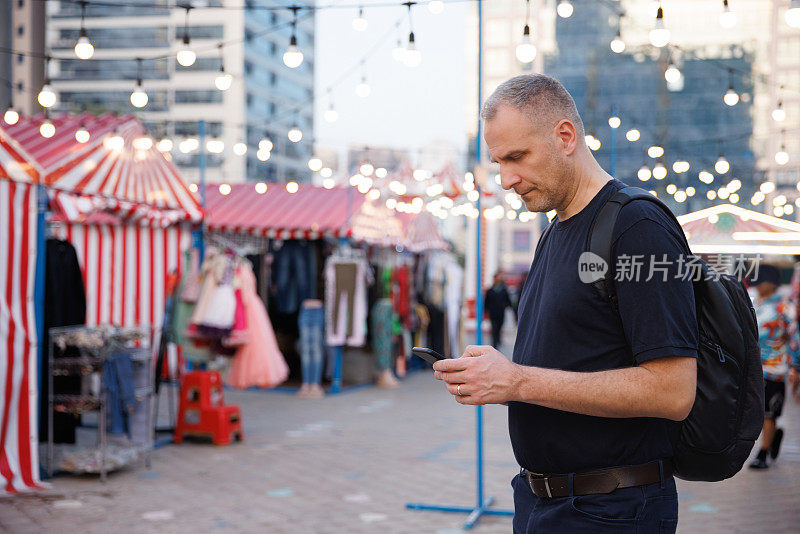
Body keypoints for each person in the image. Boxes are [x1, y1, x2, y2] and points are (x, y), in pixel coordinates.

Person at [432, 74, 697, 533]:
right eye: (499, 162)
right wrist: (495, 380)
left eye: (517, 157)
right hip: (543, 501)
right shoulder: (554, 231)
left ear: (565, 136)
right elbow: (572, 361)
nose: (507, 178)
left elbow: (673, 391)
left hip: (611, 508)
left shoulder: (638, 226)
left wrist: (518, 382)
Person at [748, 264, 800, 469]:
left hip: (775, 369)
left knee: (769, 411)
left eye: (760, 282)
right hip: (753, 367)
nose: (757, 286)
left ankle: (762, 453)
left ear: (771, 283)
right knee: (757, 412)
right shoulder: (753, 300)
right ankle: (773, 436)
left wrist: (795, 366)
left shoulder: (784, 306)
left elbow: (794, 337)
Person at [484, 272, 513, 349]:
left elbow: (508, 300)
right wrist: (486, 311)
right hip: (493, 313)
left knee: (499, 327)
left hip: (501, 312)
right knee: (494, 328)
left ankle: (498, 340)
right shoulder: (490, 290)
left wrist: (509, 306)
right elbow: (486, 302)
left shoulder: (503, 290)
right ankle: (494, 343)